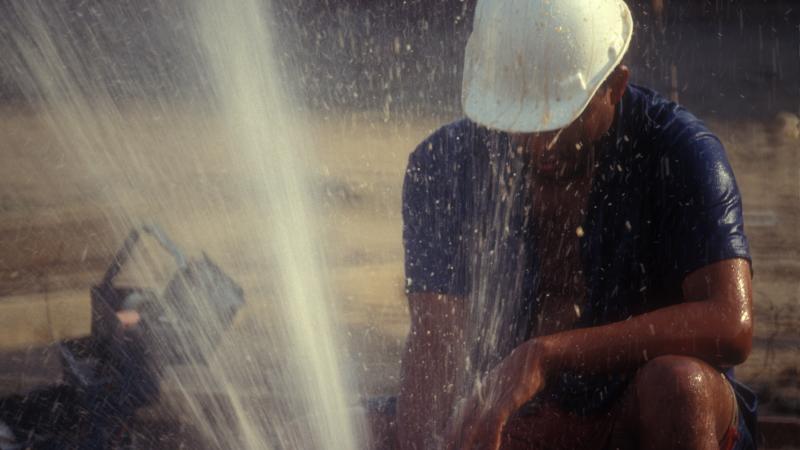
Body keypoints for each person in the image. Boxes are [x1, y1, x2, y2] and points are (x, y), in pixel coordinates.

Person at [395, 0, 758, 449]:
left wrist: (547, 356)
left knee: (681, 387)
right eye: (521, 121)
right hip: (514, 424)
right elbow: (435, 346)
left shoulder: (679, 150)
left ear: (615, 87)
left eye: (562, 120)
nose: (539, 145)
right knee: (351, 425)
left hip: (633, 420)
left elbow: (731, 325)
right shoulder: (443, 164)